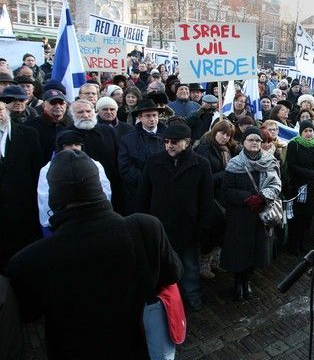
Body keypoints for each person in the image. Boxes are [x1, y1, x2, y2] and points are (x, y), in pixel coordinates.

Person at [7, 149, 182, 359]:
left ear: (53, 195)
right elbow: (172, 274)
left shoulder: (28, 261)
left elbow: (28, 313)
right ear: (98, 185)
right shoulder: (145, 228)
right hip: (139, 345)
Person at [137, 123, 214, 312]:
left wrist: (203, 227)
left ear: (187, 142)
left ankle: (193, 295)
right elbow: (144, 194)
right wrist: (142, 222)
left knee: (189, 264)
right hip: (159, 225)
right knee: (161, 264)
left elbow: (206, 199)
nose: (169, 145)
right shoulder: (154, 161)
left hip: (187, 225)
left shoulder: (201, 164)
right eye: (166, 142)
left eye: (174, 142)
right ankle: (164, 298)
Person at [221, 127, 282, 300]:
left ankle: (247, 282)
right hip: (239, 215)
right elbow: (226, 191)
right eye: (251, 140)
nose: (254, 143)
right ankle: (237, 282)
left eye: (257, 140)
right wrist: (247, 197)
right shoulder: (234, 164)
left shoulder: (270, 161)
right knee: (239, 251)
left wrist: (263, 198)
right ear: (244, 143)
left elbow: (277, 185)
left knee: (256, 250)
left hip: (259, 214)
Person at [0, 101, 43, 272]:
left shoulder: (28, 134)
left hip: (23, 206)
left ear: (7, 111)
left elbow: (37, 170)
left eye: (1, 110)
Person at [193, 120, 238, 278]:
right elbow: (204, 179)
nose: (225, 137)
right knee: (210, 232)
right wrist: (226, 173)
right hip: (209, 198)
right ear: (215, 131)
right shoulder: (203, 148)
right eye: (222, 133)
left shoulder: (225, 149)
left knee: (221, 230)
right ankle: (204, 264)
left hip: (222, 196)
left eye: (228, 135)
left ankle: (215, 261)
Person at [285, 120, 314, 255]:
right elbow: (292, 165)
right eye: (306, 131)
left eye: (310, 131)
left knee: (308, 218)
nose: (308, 134)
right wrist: (311, 174)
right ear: (301, 132)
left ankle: (303, 244)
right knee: (298, 218)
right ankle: (293, 245)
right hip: (299, 186)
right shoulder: (294, 144)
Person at [25, 89, 71, 163]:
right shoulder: (30, 126)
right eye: (53, 103)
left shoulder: (72, 124)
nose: (58, 106)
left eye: (61, 103)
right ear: (44, 105)